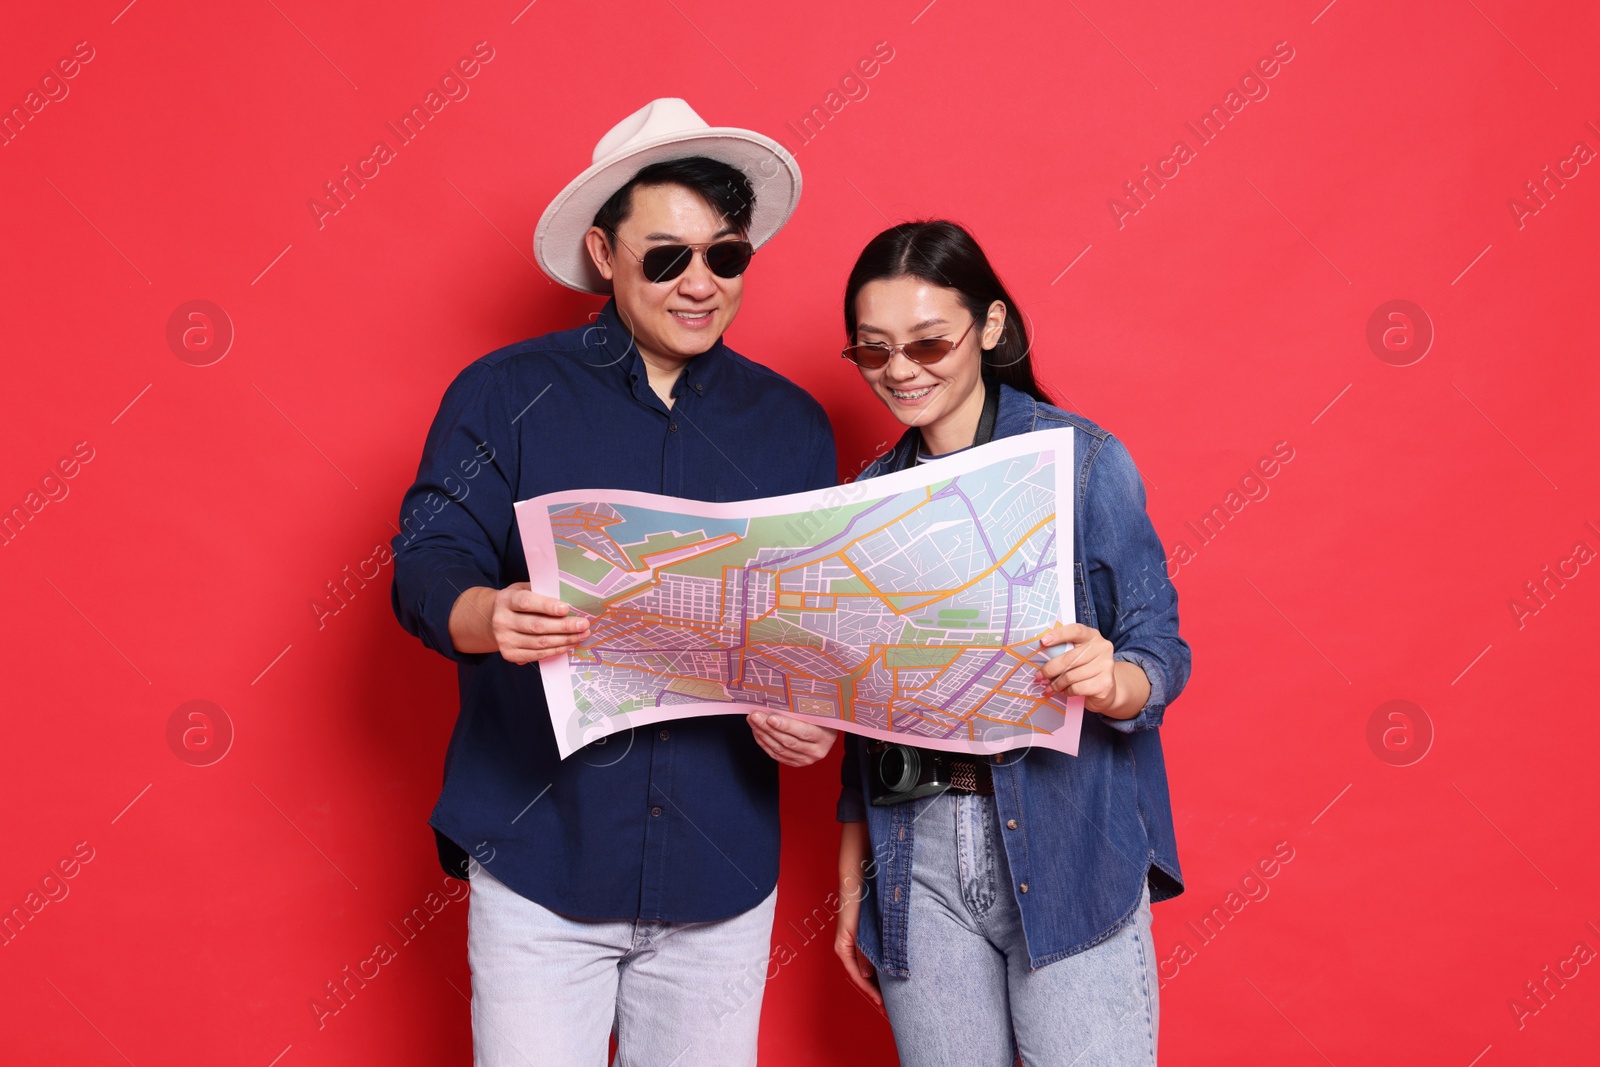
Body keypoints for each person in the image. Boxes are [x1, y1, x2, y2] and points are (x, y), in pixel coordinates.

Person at [389, 98, 839, 1067]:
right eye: (665, 256)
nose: (700, 284)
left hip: (721, 871)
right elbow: (428, 557)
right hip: (540, 857)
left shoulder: (794, 425)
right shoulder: (503, 392)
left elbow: (814, 627)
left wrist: (811, 716)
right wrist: (484, 612)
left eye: (726, 257)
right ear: (603, 252)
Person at [830, 220, 1191, 1066]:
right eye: (873, 353)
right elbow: (856, 710)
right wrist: (854, 885)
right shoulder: (863, 497)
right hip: (916, 856)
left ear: (990, 327)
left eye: (928, 342)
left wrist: (1117, 678)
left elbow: (1161, 648)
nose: (901, 371)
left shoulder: (1085, 461)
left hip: (1069, 843)